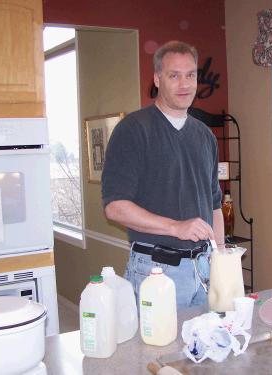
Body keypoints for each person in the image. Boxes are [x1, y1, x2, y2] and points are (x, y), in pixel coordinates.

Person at [101, 40, 224, 308]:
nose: (185, 84)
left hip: (204, 267)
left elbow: (214, 205)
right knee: (158, 350)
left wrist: (221, 260)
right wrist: (176, 227)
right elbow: (115, 208)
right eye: (174, 75)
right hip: (156, 270)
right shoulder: (133, 130)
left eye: (191, 75)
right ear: (157, 79)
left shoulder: (205, 136)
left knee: (208, 345)